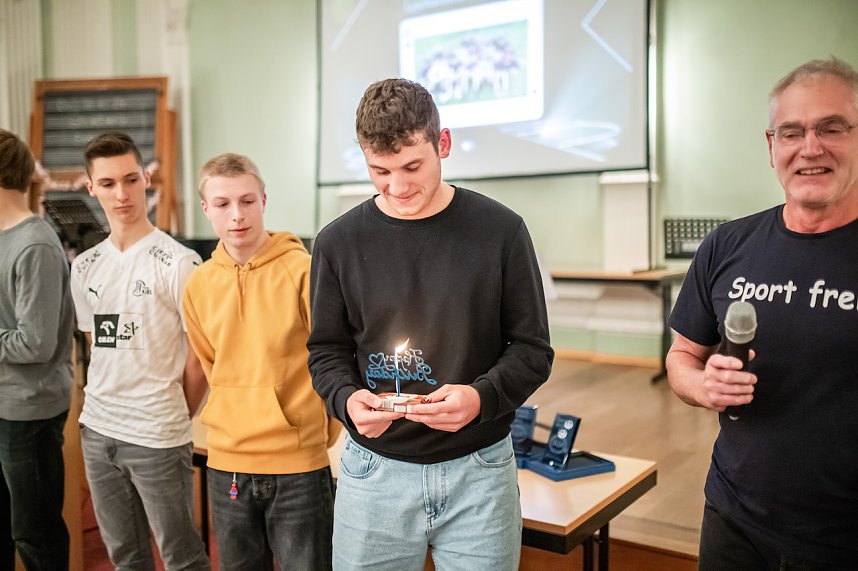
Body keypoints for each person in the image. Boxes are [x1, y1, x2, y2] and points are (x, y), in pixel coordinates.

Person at [307, 78, 554, 570]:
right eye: (380, 171)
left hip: (479, 471)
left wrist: (482, 397)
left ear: (443, 144)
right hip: (373, 471)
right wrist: (347, 399)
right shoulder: (336, 244)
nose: (397, 188)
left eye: (412, 167)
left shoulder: (501, 231)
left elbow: (532, 349)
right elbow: (327, 351)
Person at [666, 56, 858, 570]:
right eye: (791, 132)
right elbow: (682, 356)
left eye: (832, 128)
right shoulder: (728, 245)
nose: (810, 148)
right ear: (771, 147)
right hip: (732, 520)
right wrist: (703, 385)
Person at [183, 153, 340, 570]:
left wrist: (316, 431)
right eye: (222, 204)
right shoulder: (198, 284)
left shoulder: (304, 271)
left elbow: (335, 359)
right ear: (206, 209)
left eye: (247, 201)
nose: (237, 215)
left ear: (264, 200)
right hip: (227, 464)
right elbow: (210, 365)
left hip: (299, 466)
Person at [70, 132, 209, 571]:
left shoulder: (180, 262)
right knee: (125, 558)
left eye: (131, 179)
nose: (122, 193)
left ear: (145, 179)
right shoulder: (84, 265)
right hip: (97, 431)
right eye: (108, 183)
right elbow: (99, 345)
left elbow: (201, 356)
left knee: (182, 558)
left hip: (157, 435)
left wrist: (172, 413)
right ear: (91, 187)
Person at [0, 129, 73, 570]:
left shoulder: (35, 244)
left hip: (28, 411)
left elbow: (36, 343)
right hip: (5, 403)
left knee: (35, 532)